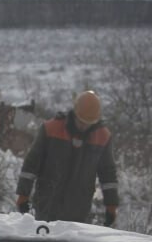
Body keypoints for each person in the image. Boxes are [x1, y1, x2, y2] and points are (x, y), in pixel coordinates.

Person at [15, 89, 120, 225]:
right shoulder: (50, 129)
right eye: (81, 121)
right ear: (74, 113)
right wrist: (23, 195)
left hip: (79, 209)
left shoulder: (103, 137)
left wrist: (111, 205)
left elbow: (108, 174)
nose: (84, 126)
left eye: (88, 123)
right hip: (46, 204)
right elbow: (31, 164)